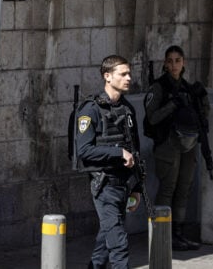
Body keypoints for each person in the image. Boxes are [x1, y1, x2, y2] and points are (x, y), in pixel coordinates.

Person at [75, 55, 142, 269]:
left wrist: (137, 187)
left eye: (129, 73)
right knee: (118, 243)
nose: (128, 78)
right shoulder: (90, 110)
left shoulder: (127, 109)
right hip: (105, 185)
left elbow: (135, 150)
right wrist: (117, 153)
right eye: (123, 74)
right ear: (107, 76)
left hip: (123, 184)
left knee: (105, 241)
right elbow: (84, 150)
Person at [144, 45, 209, 251]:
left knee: (184, 188)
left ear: (184, 62)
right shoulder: (158, 88)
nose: (174, 65)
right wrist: (172, 105)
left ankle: (178, 234)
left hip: (187, 145)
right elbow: (152, 118)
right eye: (170, 61)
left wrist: (201, 102)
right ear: (165, 63)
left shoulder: (188, 87)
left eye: (178, 60)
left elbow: (201, 115)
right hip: (167, 145)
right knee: (168, 189)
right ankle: (161, 234)